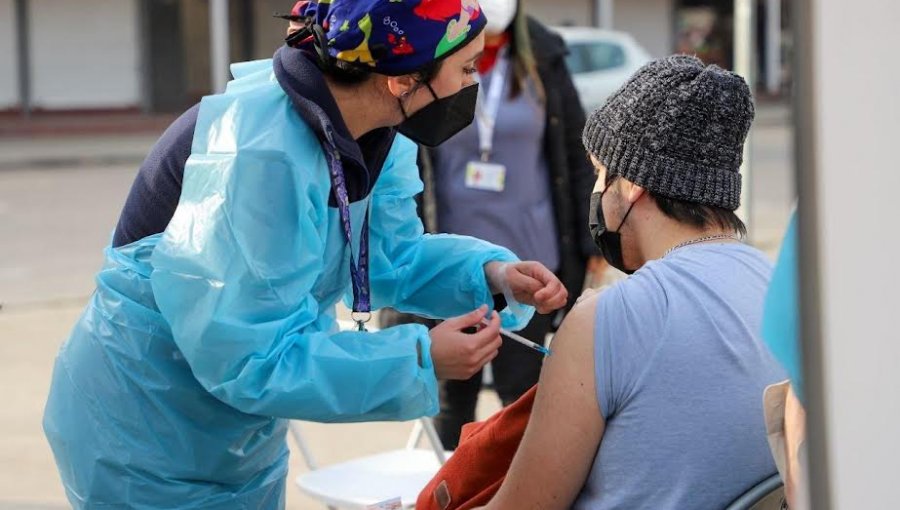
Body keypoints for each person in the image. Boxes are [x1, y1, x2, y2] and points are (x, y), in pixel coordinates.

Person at [41, 1, 568, 508]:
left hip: (232, 433)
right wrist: (418, 359)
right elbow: (251, 358)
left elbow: (388, 258)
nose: (472, 86)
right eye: (467, 68)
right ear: (403, 78)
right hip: (149, 434)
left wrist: (492, 275)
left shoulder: (376, 129)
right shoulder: (260, 155)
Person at [470, 55, 788, 509]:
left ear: (634, 183)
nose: (596, 191)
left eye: (600, 173)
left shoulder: (607, 320)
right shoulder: (778, 288)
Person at [379, 0, 598, 449]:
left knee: (524, 403)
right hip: (446, 264)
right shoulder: (428, 58)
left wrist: (591, 244)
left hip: (528, 258)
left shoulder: (544, 57)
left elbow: (576, 158)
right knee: (450, 405)